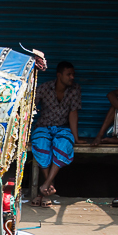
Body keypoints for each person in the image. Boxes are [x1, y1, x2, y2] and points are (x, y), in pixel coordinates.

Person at [31, 61, 81, 206]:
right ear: (59, 75)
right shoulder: (45, 88)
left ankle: (45, 186)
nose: (72, 77)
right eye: (68, 74)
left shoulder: (75, 89)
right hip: (43, 126)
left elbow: (73, 114)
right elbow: (31, 106)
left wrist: (76, 138)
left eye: (73, 74)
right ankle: (49, 186)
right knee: (40, 143)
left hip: (62, 128)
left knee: (64, 143)